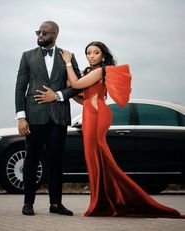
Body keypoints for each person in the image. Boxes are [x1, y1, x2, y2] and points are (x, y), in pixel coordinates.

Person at [60, 41, 185, 218]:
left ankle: (105, 202)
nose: (91, 56)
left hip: (96, 114)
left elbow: (76, 84)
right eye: (88, 53)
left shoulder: (101, 71)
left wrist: (67, 62)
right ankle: (102, 201)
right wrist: (76, 94)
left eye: (96, 53)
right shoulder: (90, 72)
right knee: (94, 158)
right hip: (90, 111)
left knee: (98, 157)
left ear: (103, 55)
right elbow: (82, 97)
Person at [15, 21, 81, 216]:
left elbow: (77, 85)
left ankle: (55, 204)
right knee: (31, 161)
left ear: (56, 34)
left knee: (56, 162)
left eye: (45, 33)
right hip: (34, 117)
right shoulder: (27, 56)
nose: (40, 35)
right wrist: (21, 117)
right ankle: (28, 203)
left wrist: (58, 95)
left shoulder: (68, 57)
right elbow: (20, 87)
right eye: (38, 32)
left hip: (58, 117)